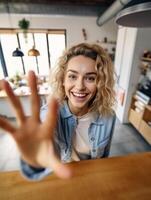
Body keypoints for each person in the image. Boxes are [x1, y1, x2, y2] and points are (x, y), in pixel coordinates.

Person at [0, 43, 116, 180]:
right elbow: (48, 153)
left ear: (100, 83)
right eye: (72, 76)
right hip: (60, 178)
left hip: (91, 179)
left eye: (90, 78)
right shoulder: (48, 115)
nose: (79, 86)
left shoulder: (108, 117)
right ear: (63, 80)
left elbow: (103, 160)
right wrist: (36, 163)